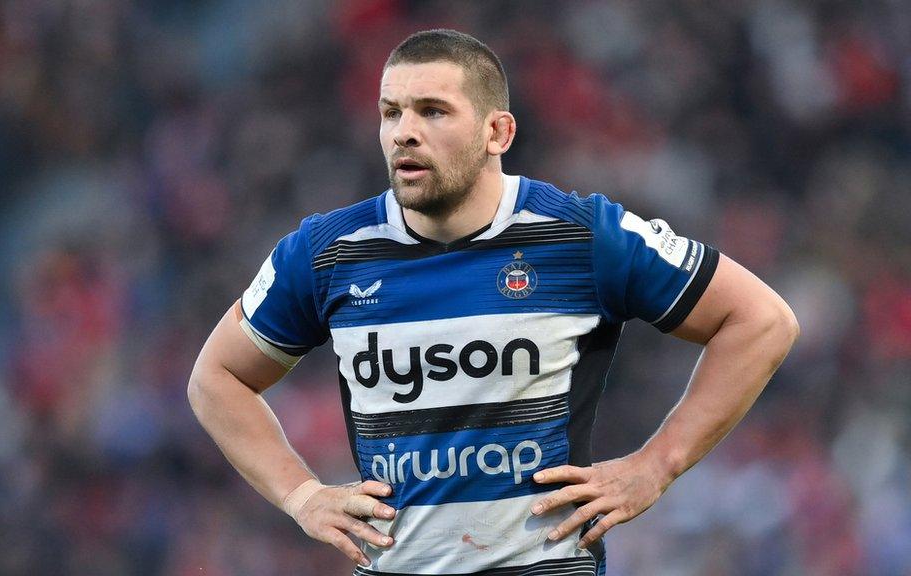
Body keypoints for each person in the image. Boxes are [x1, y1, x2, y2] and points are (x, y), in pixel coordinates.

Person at [188, 28, 799, 576]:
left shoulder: (582, 237)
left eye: (433, 111)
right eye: (390, 112)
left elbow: (761, 321)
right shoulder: (325, 254)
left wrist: (656, 465)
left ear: (497, 132)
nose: (405, 131)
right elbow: (216, 378)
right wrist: (302, 497)